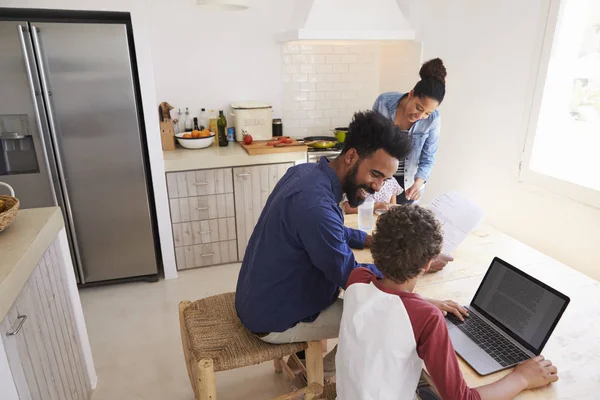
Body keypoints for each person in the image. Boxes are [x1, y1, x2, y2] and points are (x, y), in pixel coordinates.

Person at [235, 111, 466, 371]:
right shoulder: (316, 207)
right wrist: (414, 276)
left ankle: (308, 361)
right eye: (375, 174)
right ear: (351, 156)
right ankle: (329, 372)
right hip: (274, 316)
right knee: (381, 315)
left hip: (256, 297)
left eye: (385, 179)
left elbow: (332, 231)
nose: (379, 187)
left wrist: (368, 239)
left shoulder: (305, 174)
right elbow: (353, 277)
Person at [337, 205, 559, 400]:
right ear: (428, 264)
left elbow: (387, 297)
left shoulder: (357, 278)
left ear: (376, 249)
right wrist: (522, 378)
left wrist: (422, 302)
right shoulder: (426, 318)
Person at [372, 58, 447, 204]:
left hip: (408, 185)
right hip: (380, 179)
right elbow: (370, 141)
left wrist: (418, 184)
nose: (420, 116)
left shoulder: (433, 120)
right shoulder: (384, 102)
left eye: (427, 113)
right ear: (411, 94)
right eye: (419, 108)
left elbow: (428, 158)